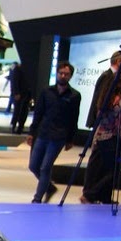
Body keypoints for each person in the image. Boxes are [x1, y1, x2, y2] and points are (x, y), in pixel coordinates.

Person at [27, 62, 81, 204]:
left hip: (59, 136)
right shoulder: (46, 91)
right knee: (33, 166)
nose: (63, 76)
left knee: (46, 167)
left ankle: (37, 198)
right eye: (61, 73)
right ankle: (49, 187)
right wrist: (32, 132)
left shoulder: (74, 96)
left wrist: (70, 139)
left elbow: (74, 118)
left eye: (66, 74)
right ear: (57, 74)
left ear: (70, 76)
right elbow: (38, 113)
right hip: (43, 133)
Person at [81, 87, 121, 204]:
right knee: (113, 172)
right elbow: (120, 126)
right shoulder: (119, 102)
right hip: (111, 139)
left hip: (100, 137)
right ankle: (91, 194)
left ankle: (103, 197)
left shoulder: (104, 100)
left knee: (101, 169)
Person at [86, 50, 121, 128]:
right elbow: (99, 98)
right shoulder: (107, 76)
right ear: (119, 61)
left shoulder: (118, 77)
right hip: (103, 118)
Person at [9, 60, 33, 134]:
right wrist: (16, 93)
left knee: (24, 111)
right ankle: (13, 126)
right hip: (20, 93)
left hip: (26, 93)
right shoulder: (18, 68)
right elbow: (14, 81)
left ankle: (20, 127)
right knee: (17, 111)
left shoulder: (29, 68)